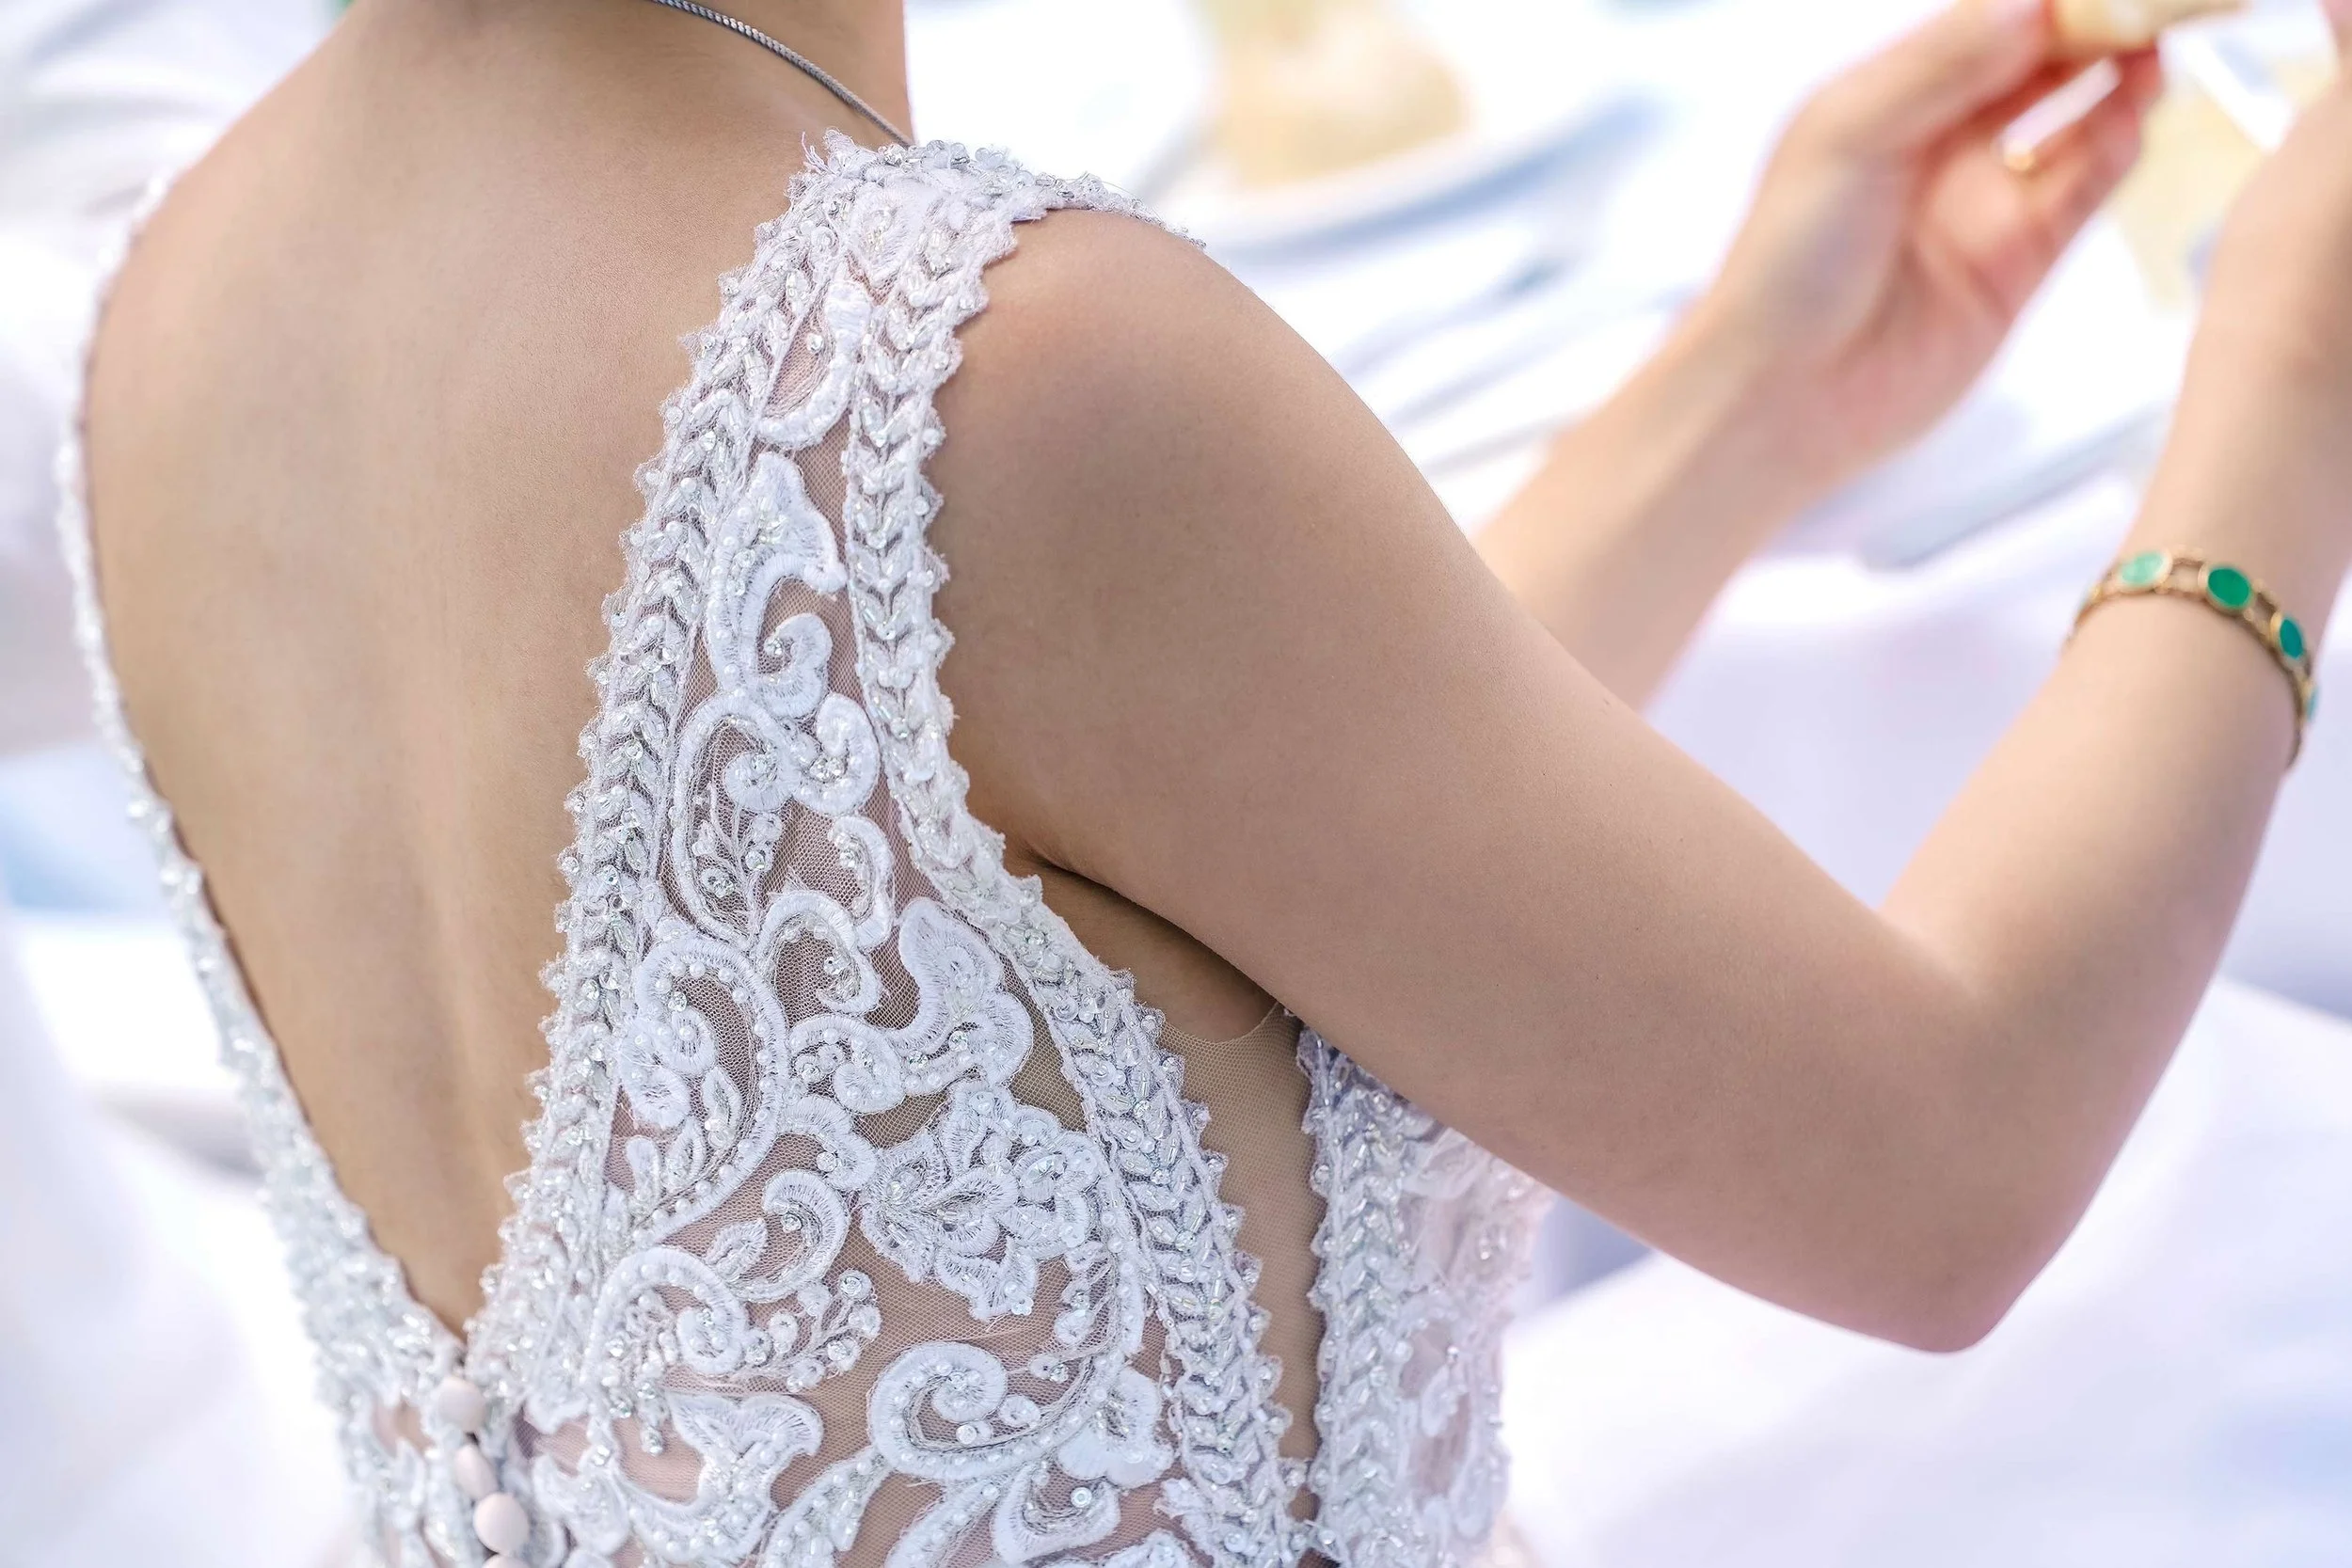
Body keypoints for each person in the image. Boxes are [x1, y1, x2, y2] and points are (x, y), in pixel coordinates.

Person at [56, 0, 2352, 1561]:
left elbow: (1153, 869)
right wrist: (2285, 377)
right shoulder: (992, 368)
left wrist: (1740, 392)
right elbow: (1935, 1165)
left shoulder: (167, 312)